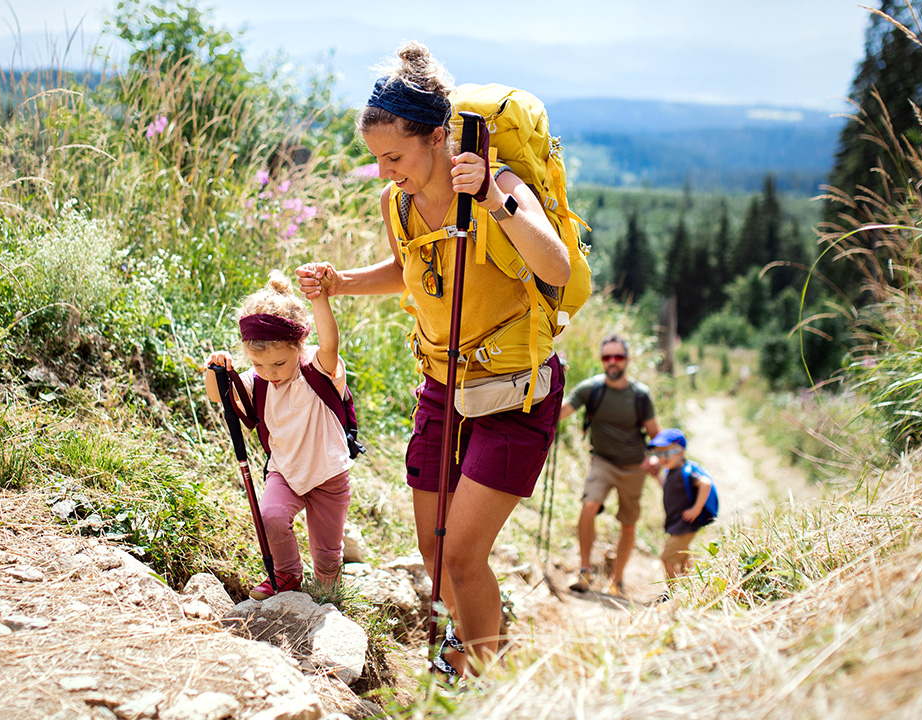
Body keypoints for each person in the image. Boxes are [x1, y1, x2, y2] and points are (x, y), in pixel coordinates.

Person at [295, 41, 570, 679]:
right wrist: (341, 282)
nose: (386, 171)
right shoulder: (398, 201)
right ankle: (478, 643)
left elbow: (554, 264)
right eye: (378, 160)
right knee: (435, 552)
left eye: (395, 156)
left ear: (439, 137)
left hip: (514, 393)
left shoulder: (498, 185)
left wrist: (497, 202)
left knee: (465, 555)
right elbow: (408, 269)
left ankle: (482, 678)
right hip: (443, 386)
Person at [205, 269, 352, 600]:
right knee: (271, 515)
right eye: (259, 365)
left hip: (328, 474)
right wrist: (214, 369)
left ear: (299, 347)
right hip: (284, 470)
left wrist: (319, 298)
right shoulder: (257, 382)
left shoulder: (317, 369)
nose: (270, 373)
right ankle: (287, 575)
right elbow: (218, 395)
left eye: (279, 364)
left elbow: (330, 342)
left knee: (327, 552)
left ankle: (329, 592)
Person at [559, 333, 662, 597]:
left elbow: (656, 436)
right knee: (588, 505)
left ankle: (617, 580)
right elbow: (560, 412)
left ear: (627, 359)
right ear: (602, 360)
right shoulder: (590, 389)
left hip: (634, 467)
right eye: (607, 357)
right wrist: (553, 381)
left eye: (618, 356)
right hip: (602, 462)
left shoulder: (640, 395)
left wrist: (656, 458)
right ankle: (584, 571)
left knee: (628, 524)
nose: (613, 362)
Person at [648, 427, 712, 583]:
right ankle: (690, 586)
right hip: (678, 523)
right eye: (659, 454)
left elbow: (705, 484)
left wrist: (696, 509)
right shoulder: (671, 472)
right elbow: (669, 490)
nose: (663, 458)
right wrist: (657, 476)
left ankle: (673, 591)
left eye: (668, 453)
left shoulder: (686, 472)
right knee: (683, 556)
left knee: (667, 558)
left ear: (681, 452)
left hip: (685, 524)